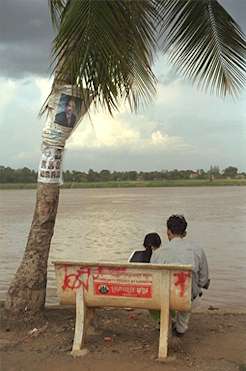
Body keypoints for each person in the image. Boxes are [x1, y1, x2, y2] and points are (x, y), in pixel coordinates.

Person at [151, 214, 210, 337]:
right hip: (187, 298)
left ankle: (165, 321)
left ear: (168, 232)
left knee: (163, 289)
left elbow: (154, 281)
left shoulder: (157, 253)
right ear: (185, 233)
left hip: (162, 298)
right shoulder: (197, 250)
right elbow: (203, 280)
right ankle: (180, 328)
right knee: (190, 289)